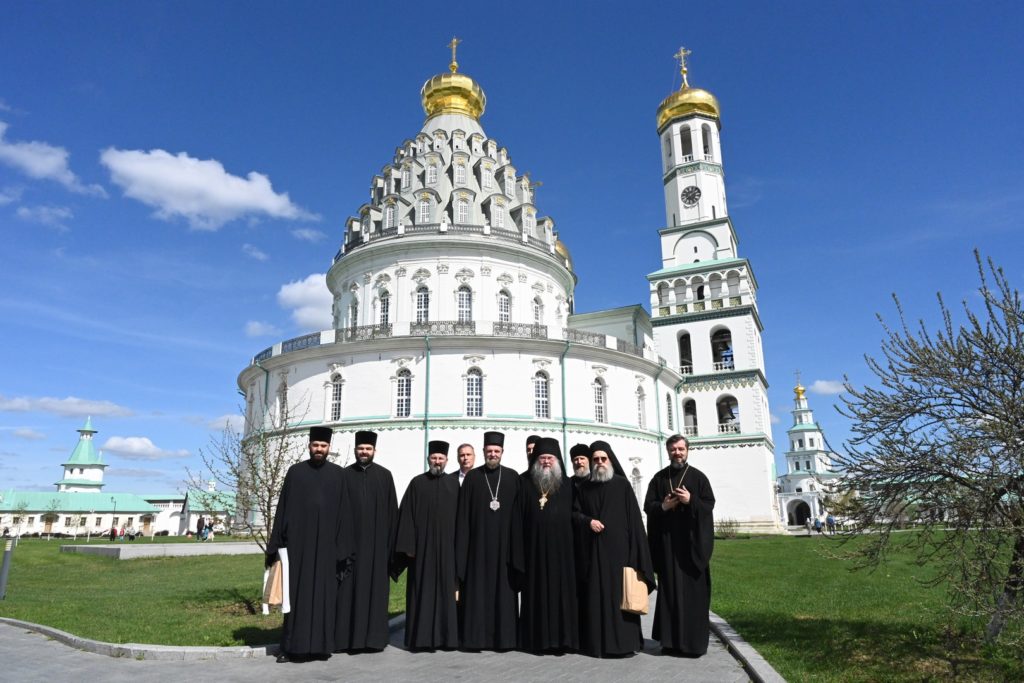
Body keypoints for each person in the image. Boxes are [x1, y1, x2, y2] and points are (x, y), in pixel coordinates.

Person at [266, 426, 350, 663]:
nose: (319, 449)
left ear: (329, 448)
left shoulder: (338, 474)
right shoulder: (295, 472)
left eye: (323, 446)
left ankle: (321, 647)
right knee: (295, 598)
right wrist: (277, 545)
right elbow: (283, 509)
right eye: (316, 445)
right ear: (309, 446)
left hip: (326, 550)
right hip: (298, 549)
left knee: (324, 598)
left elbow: (345, 513)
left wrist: (342, 549)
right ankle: (291, 648)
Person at [574, 440, 654, 658]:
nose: (599, 463)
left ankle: (624, 644)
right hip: (593, 554)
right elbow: (575, 514)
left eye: (603, 458)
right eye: (596, 459)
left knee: (621, 599)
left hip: (620, 555)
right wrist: (587, 521)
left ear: (610, 460)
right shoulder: (584, 488)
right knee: (596, 598)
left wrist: (637, 556)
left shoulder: (622, 485)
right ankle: (597, 644)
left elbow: (635, 523)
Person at [644, 434, 715, 656]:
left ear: (687, 450)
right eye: (673, 449)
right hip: (668, 547)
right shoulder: (658, 478)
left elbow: (708, 505)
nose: (677, 453)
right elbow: (649, 506)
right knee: (670, 595)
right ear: (668, 451)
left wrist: (690, 501)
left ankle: (693, 645)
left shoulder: (698, 477)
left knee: (694, 596)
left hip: (692, 548)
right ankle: (670, 642)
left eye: (681, 449)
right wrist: (663, 506)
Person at [454, 430, 522, 651]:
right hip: (478, 551)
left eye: (496, 451)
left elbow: (520, 518)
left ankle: (505, 640)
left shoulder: (512, 478)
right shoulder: (473, 478)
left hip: (505, 551)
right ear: (483, 452)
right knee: (477, 596)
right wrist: (462, 554)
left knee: (504, 596)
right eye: (489, 451)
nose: (493, 454)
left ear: (502, 452)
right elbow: (463, 517)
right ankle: (476, 640)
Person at [394, 440, 460, 650]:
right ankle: (420, 639)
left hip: (447, 551)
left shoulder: (454, 485)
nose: (437, 461)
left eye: (441, 458)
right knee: (420, 592)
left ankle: (446, 639)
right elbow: (406, 516)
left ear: (447, 460)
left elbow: (461, 519)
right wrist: (409, 548)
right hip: (421, 552)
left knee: (445, 594)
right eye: (434, 458)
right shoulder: (416, 483)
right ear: (428, 458)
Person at [335, 430, 398, 653]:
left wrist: (390, 551)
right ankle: (347, 640)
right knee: (347, 596)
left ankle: (374, 641)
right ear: (355, 450)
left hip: (376, 550)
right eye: (361, 448)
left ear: (374, 451)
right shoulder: (343, 476)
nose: (364, 452)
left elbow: (393, 515)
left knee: (374, 595)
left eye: (368, 449)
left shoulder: (385, 476)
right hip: (350, 550)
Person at [516, 437, 578, 653]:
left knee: (563, 597)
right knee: (536, 596)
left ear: (557, 460)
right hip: (534, 552)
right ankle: (537, 641)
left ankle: (564, 640)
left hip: (564, 554)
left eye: (550, 458)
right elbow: (517, 519)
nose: (546, 462)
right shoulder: (524, 483)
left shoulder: (569, 485)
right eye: (542, 458)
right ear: (535, 460)